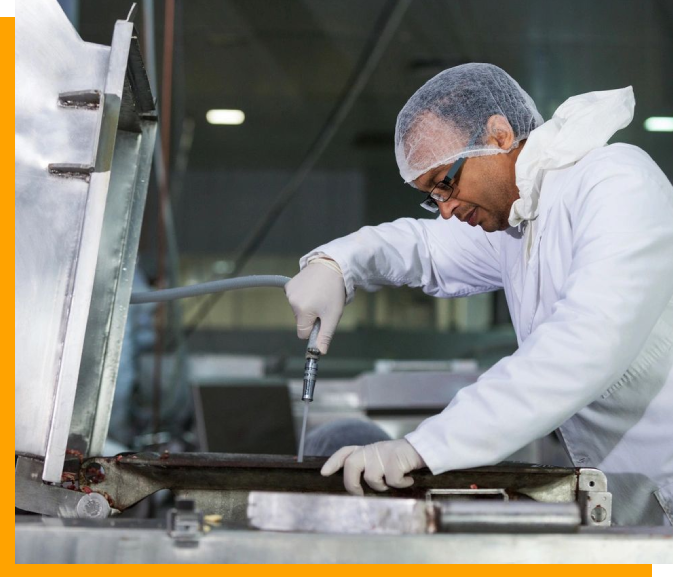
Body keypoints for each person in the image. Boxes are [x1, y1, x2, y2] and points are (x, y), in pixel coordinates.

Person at [284, 63, 673, 526]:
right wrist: (336, 262)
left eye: (444, 184)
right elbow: (424, 246)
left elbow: (586, 343)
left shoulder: (616, 182)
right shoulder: (521, 219)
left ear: (499, 135)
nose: (445, 210)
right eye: (432, 196)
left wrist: (423, 446)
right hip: (640, 503)